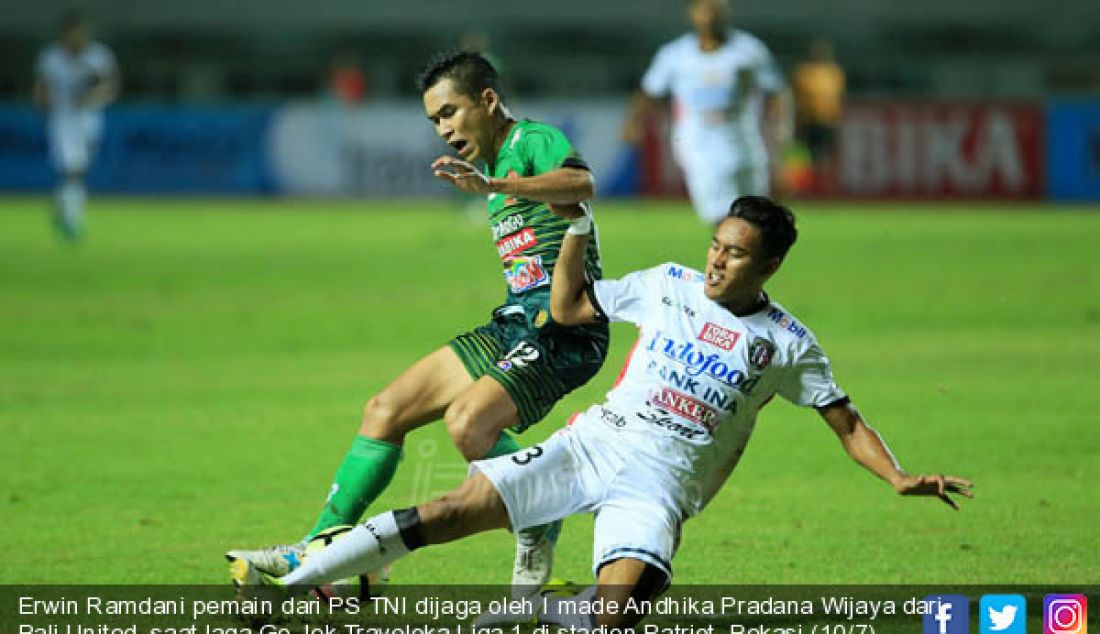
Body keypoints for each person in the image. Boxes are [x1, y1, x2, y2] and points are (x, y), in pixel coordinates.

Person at [238, 196, 973, 630]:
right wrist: (577, 233)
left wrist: (897, 476)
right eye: (715, 246)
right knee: (450, 511)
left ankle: (537, 612)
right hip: (593, 444)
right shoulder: (668, 284)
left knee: (618, 614)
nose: (717, 262)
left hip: (660, 489)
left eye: (736, 255)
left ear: (770, 266)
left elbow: (844, 421)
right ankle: (289, 593)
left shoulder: (787, 344)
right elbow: (568, 308)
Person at [226, 50, 610, 596]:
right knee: (385, 410)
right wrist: (493, 185)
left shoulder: (530, 141)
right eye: (434, 120)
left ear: (488, 100)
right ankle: (316, 550)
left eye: (450, 112)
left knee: (467, 426)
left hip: (564, 330)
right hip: (514, 323)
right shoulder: (491, 169)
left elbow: (581, 185)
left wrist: (498, 187)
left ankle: (540, 507)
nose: (444, 128)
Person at [622, 0, 791, 225]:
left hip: (744, 139)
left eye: (717, 8)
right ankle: (731, 257)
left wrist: (780, 127)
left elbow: (775, 90)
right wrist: (634, 121)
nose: (711, 15)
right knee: (720, 215)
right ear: (692, 14)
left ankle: (754, 257)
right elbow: (650, 91)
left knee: (756, 213)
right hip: (700, 144)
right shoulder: (676, 54)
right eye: (705, 8)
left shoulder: (748, 50)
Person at [33, 11, 120, 241]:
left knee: (80, 169)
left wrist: (95, 97)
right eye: (72, 34)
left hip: (90, 118)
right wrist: (44, 103)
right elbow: (42, 89)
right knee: (73, 168)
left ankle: (62, 206)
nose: (77, 39)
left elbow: (110, 86)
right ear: (65, 35)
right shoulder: (52, 58)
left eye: (81, 34)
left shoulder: (98, 56)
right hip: (63, 118)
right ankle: (72, 220)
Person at [792, 38, 845, 192]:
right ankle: (805, 188)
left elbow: (837, 98)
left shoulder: (834, 72)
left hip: (828, 121)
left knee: (827, 157)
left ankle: (827, 188)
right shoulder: (803, 73)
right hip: (808, 121)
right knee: (806, 158)